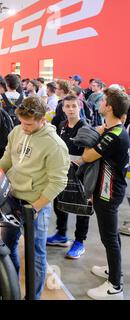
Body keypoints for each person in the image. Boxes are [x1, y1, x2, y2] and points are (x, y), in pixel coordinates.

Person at [0, 96, 70, 300]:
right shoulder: (17, 131)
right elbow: (7, 159)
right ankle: (11, 289)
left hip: (35, 204)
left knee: (36, 255)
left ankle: (33, 297)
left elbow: (58, 182)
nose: (24, 127)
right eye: (21, 122)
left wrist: (36, 207)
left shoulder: (54, 145)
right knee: (7, 246)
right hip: (12, 198)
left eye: (29, 124)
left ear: (42, 120)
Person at [82, 89, 130, 300]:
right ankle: (114, 271)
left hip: (108, 193)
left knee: (109, 237)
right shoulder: (115, 130)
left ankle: (115, 287)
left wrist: (96, 135)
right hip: (109, 190)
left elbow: (87, 156)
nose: (100, 103)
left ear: (109, 107)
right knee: (111, 236)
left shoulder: (113, 135)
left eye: (103, 100)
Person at [47, 95, 90, 259]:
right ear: (63, 108)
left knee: (82, 207)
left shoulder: (84, 127)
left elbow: (88, 154)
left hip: (80, 172)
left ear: (79, 107)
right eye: (68, 106)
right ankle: (61, 234)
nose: (71, 109)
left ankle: (79, 242)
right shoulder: (62, 125)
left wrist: (75, 164)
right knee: (59, 202)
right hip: (62, 170)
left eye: (74, 106)